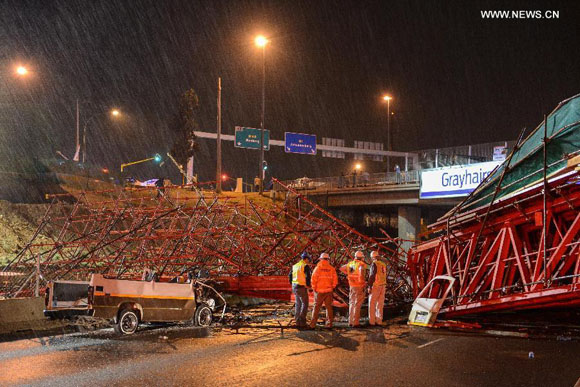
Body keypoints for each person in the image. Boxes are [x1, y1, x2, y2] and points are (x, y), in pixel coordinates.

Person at [309, 253, 338, 329]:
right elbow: (335, 280)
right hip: (328, 291)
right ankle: (329, 324)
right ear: (328, 259)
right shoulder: (331, 268)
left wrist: (314, 288)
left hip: (319, 291)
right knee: (329, 308)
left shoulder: (318, 268)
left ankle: (312, 325)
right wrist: (332, 287)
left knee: (316, 307)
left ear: (321, 259)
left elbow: (313, 279)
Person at [340, 250, 368, 327]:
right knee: (357, 304)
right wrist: (363, 283)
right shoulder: (361, 264)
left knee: (352, 303)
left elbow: (341, 268)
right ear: (362, 258)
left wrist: (348, 274)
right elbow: (361, 274)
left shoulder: (350, 264)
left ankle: (350, 322)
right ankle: (356, 323)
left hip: (352, 285)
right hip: (359, 286)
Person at [289, 251, 312, 328]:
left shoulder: (295, 266)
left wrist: (292, 283)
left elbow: (290, 275)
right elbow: (307, 277)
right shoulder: (305, 266)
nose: (309, 261)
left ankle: (297, 320)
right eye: (308, 259)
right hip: (301, 286)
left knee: (298, 303)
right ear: (306, 259)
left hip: (294, 286)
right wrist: (308, 286)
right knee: (305, 304)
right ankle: (302, 321)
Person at [368, 250, 387, 326]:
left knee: (372, 303)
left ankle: (372, 322)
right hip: (383, 285)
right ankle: (379, 321)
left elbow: (372, 275)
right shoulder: (383, 264)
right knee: (380, 304)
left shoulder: (374, 264)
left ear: (372, 257)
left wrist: (369, 286)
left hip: (376, 285)